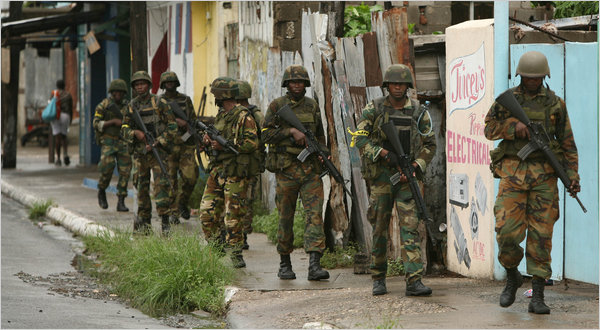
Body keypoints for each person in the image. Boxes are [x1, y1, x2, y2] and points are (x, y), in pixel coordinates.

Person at [485, 51, 580, 314]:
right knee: (506, 232)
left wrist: (572, 177)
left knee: (541, 236)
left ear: (544, 77)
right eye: (528, 78)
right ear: (520, 76)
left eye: (537, 78)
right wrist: (513, 128)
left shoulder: (555, 104)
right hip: (512, 174)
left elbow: (568, 144)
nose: (532, 82)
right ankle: (513, 275)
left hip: (545, 178)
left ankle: (537, 294)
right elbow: (488, 129)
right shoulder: (508, 102)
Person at [354, 64, 436, 296]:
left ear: (408, 86)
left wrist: (413, 166)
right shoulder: (375, 108)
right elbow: (359, 138)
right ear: (387, 86)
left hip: (405, 178)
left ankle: (414, 280)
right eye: (393, 83)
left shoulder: (419, 111)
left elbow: (430, 145)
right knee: (380, 227)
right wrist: (382, 153)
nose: (398, 87)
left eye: (402, 84)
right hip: (381, 178)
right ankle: (378, 277)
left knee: (410, 227)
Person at [262, 65, 330, 281]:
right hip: (286, 171)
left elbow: (320, 136)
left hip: (310, 171)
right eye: (293, 81)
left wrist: (324, 155)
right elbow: (264, 134)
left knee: (315, 216)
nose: (297, 85)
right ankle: (285, 264)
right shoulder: (277, 106)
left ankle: (314, 265)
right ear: (286, 84)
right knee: (285, 217)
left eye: (300, 81)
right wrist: (289, 131)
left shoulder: (312, 106)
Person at [198, 77, 258, 268]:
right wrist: (208, 140)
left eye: (216, 94)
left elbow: (252, 143)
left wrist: (226, 146)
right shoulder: (222, 115)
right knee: (206, 213)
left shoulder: (243, 117)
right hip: (217, 171)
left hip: (235, 173)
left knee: (233, 216)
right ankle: (216, 248)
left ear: (222, 95)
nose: (214, 97)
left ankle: (236, 253)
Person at [121, 71, 177, 235]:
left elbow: (172, 127)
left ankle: (165, 223)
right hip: (140, 154)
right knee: (141, 188)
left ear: (149, 85)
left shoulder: (160, 103)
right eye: (137, 84)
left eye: (142, 84)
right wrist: (136, 134)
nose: (140, 87)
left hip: (158, 152)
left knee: (161, 187)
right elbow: (124, 128)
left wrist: (159, 141)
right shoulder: (131, 106)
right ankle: (144, 224)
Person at [158, 71, 199, 225]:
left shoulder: (185, 100)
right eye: (167, 82)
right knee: (170, 181)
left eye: (172, 81)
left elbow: (192, 120)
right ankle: (174, 212)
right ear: (163, 84)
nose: (170, 84)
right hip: (167, 146)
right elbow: (157, 122)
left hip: (185, 144)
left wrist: (189, 128)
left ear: (176, 83)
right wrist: (176, 122)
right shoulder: (158, 101)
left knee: (190, 177)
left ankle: (183, 202)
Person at [92, 79, 132, 212]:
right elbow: (96, 123)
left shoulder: (128, 107)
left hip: (123, 141)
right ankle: (102, 190)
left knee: (125, 171)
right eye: (116, 92)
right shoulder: (104, 105)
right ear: (112, 92)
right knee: (107, 167)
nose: (118, 94)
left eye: (121, 92)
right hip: (108, 140)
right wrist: (112, 122)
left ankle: (121, 200)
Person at [235, 79, 265, 250]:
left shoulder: (256, 114)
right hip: (234, 162)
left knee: (246, 199)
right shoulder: (230, 112)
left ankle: (243, 234)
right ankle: (236, 233)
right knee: (235, 199)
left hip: (251, 163)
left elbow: (265, 133)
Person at [50, 79, 73, 166]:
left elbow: (50, 105)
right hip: (66, 116)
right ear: (64, 85)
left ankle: (58, 159)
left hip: (56, 116)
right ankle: (65, 154)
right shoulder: (68, 95)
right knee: (64, 136)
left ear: (57, 86)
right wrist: (70, 119)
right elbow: (71, 108)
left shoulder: (54, 94)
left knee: (57, 138)